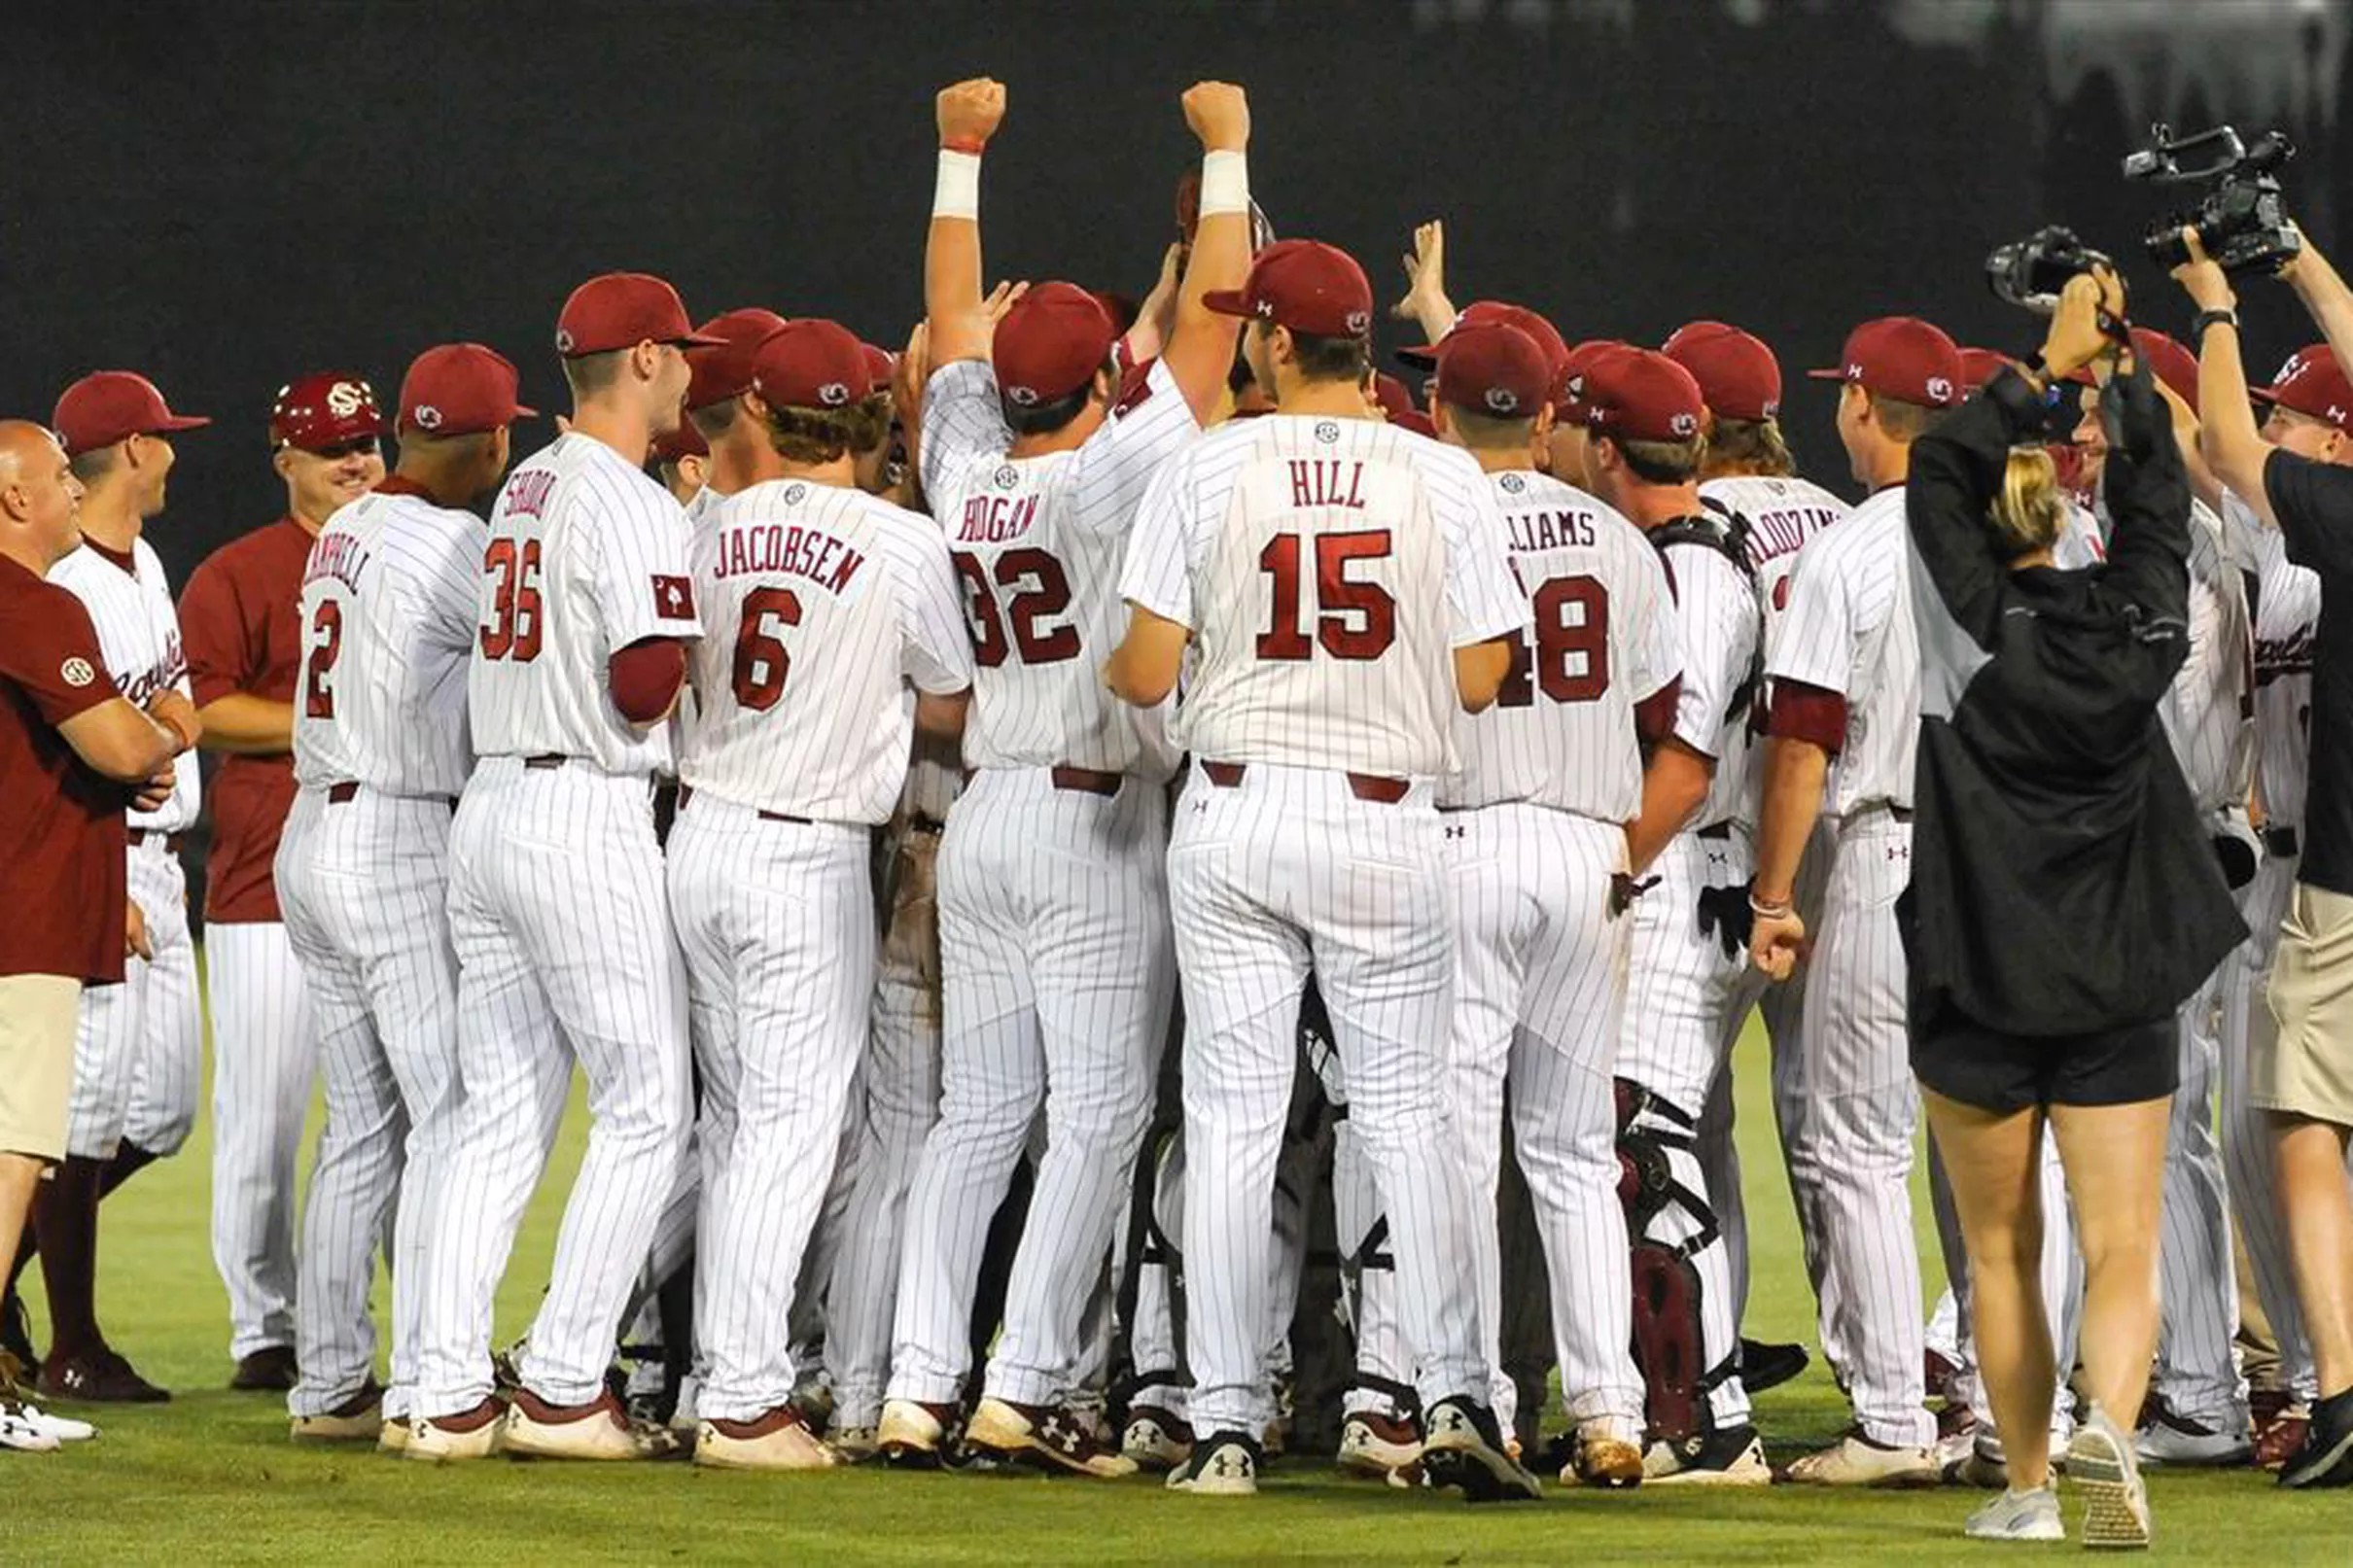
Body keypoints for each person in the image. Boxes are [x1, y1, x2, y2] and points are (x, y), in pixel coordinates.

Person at [1789, 268, 2240, 1545]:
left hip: (1980, 966)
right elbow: (2154, 499)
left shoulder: (1964, 623)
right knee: (2121, 1249)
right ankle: (2113, 1434)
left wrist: (2039, 366)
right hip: (2116, 979)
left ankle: (2035, 1486)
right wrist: (2121, 378)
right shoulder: (2143, 623)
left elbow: (1938, 481)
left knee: (1998, 1252)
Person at [1106, 236, 1535, 1501]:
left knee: (1233, 1127)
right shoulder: (1441, 473)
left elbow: (1139, 672)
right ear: (1359, 345)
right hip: (1384, 817)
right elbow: (1479, 673)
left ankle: (1227, 1422)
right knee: (1408, 1115)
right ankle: (1449, 1392)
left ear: (1279, 342)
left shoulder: (1209, 463)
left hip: (1235, 811)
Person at [877, 76, 1249, 1478]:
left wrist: (958, 158)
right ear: (1101, 376)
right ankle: (1016, 1386)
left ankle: (918, 1382)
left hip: (981, 815)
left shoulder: (962, 468)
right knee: (1095, 1118)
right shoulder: (1115, 476)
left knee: (979, 1118)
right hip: (1096, 822)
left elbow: (956, 329)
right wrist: (1229, 158)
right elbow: (1214, 324)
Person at [405, 272, 716, 1463]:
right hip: (581, 812)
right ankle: (563, 1383)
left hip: (489, 809)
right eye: (676, 348)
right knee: (646, 1104)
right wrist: (690, 637)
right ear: (640, 359)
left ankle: (439, 1390)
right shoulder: (630, 499)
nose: (686, 365)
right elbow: (642, 685)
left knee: (499, 1113)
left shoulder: (525, 483)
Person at [669, 318, 972, 1472]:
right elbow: (948, 697)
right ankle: (746, 1397)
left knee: (736, 1122)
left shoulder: (711, 529)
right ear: (865, 417)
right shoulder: (895, 543)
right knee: (790, 1134)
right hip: (803, 857)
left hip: (700, 837)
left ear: (762, 413)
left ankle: (711, 1379)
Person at [1424, 320, 1682, 1486]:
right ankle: (1609, 1414)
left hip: (1464, 842)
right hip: (1587, 850)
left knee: (1460, 1141)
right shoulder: (1618, 541)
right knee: (1575, 1152)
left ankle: (1473, 1395)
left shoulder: (1428, 517)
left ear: (1436, 412)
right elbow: (1661, 717)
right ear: (1543, 420)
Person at [275, 344, 535, 1449]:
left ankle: (329, 1381)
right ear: (488, 441)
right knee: (449, 1116)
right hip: (396, 829)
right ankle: (439, 1375)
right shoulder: (459, 537)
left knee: (360, 1128)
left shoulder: (342, 530)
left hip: (312, 829)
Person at [1746, 317, 1964, 1486]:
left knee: (1852, 1142)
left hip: (1885, 856)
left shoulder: (1848, 549)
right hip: (2007, 868)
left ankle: (1890, 1416)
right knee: (1991, 1145)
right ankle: (1988, 1395)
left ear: (1866, 412)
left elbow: (1802, 742)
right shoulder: (2031, 530)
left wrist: (1772, 890)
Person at [1577, 346, 1772, 1486]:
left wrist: (1612, 865)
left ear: (1607, 447)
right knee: (1671, 1144)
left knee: (1644, 1146)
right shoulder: (1672, 551)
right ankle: (1685, 1397)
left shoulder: (1691, 571)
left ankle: (1708, 1419)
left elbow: (1684, 766)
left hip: (1681, 867)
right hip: (1688, 865)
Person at [2178, 225, 2353, 1488]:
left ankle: (2330, 1387)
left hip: (2333, 877)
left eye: (2305, 421)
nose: (2278, 433)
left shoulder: (2327, 531)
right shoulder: (2277, 546)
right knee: (2260, 1134)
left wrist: (2216, 306)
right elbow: (2217, 459)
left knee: (2290, 1123)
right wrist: (2295, 257)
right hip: (2282, 863)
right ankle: (2306, 1381)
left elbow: (2229, 448)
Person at [181, 370, 386, 1392]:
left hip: (392, 877)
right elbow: (202, 711)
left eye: (367, 440)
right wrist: (326, 726)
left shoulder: (410, 549)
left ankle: (388, 1316)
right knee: (261, 1117)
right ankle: (264, 1325)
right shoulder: (239, 571)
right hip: (263, 878)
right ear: (285, 461)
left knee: (391, 1112)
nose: (356, 458)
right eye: (332, 444)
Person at [1663, 319, 1844, 1397]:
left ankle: (1704, 1349)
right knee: (1835, 1121)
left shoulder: (1695, 524)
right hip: (1847, 832)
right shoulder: (1835, 514)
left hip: (1730, 842)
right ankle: (1901, 1369)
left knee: (1681, 1112)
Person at [0, 419, 187, 1451]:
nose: (78, 490)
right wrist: (147, 745)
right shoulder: (28, 597)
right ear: (15, 500)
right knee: (17, 1147)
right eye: (60, 477)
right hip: (20, 910)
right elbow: (122, 739)